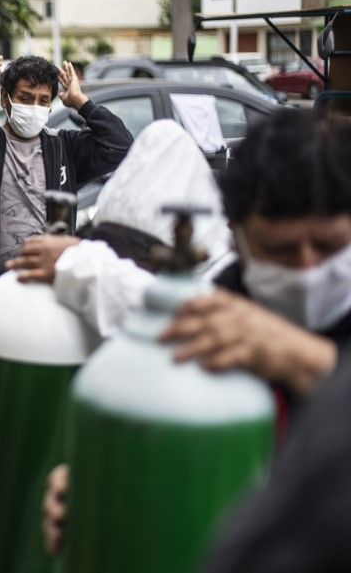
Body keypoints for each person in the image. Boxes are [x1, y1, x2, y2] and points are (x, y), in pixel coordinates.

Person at [41, 108, 351, 558]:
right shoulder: (223, 304)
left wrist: (308, 362)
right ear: (234, 236)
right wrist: (105, 479)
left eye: (328, 247)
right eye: (279, 250)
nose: (307, 270)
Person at [8, 120, 234, 337]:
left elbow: (163, 310)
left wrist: (75, 263)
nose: (119, 263)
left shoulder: (223, 281)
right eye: (113, 254)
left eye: (136, 260)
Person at [0, 54, 133, 281]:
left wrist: (81, 102)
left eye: (43, 101)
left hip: (49, 278)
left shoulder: (64, 148)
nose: (34, 107)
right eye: (25, 97)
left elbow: (120, 145)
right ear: (5, 99)